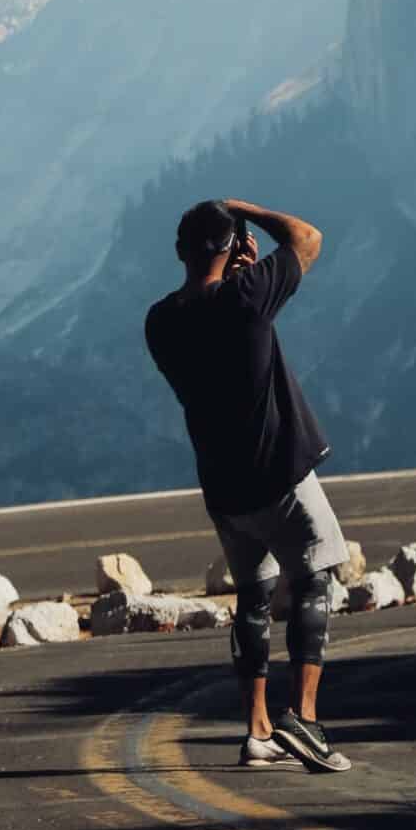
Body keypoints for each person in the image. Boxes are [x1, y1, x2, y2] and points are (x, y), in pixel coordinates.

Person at [144, 194, 351, 774]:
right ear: (232, 247)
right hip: (279, 474)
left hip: (224, 488)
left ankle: (258, 730)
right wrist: (241, 209)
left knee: (253, 598)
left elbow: (208, 310)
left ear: (181, 252)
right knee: (313, 580)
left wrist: (232, 267)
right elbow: (307, 237)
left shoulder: (161, 322)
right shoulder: (248, 296)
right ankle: (304, 719)